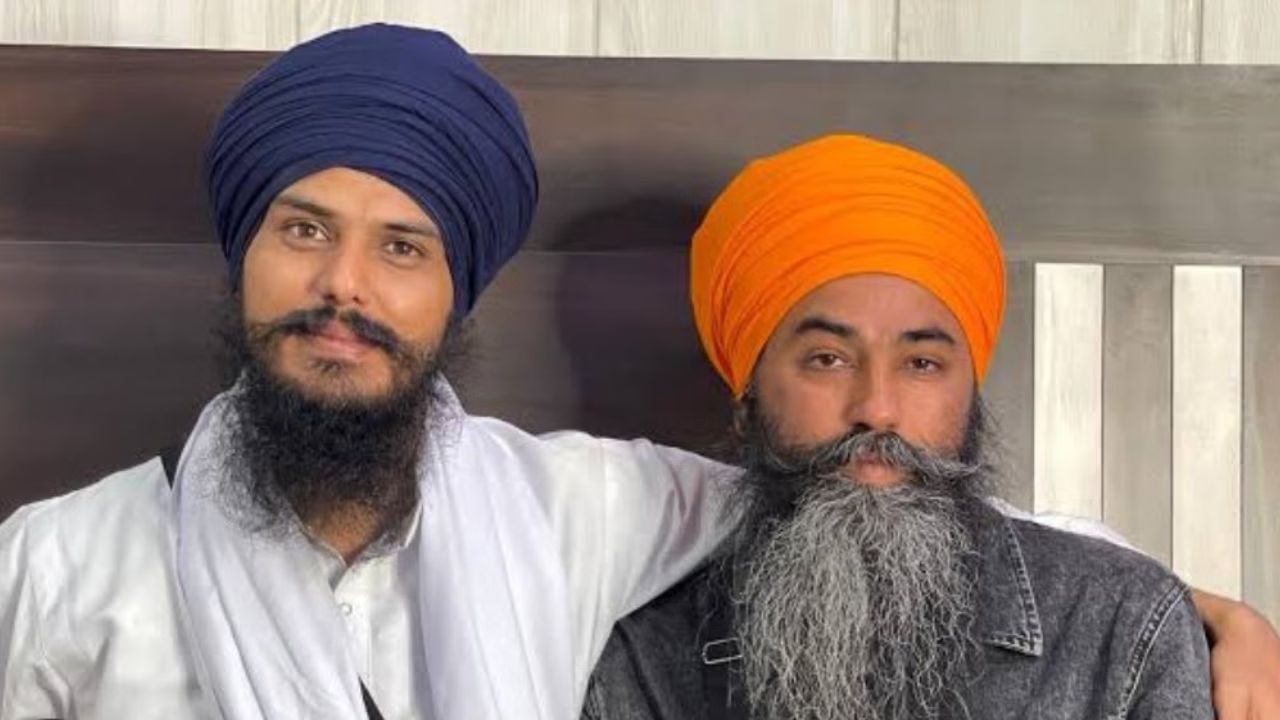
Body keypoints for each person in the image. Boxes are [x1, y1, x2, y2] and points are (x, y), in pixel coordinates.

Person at [0, 24, 1276, 720]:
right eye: (303, 231)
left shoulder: (566, 512)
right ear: (245, 256)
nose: (345, 287)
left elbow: (864, 487)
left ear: (453, 295)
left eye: (401, 248)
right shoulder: (55, 567)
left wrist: (1193, 609)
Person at [581, 134, 1215, 719]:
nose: (877, 408)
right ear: (746, 398)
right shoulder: (644, 658)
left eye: (921, 364)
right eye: (827, 359)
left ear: (971, 393)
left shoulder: (1122, 628)